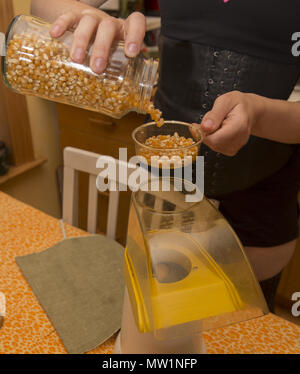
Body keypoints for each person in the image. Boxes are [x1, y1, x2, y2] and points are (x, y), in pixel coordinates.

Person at [31, 0, 300, 312]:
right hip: (164, 202)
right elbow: (42, 4)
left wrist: (259, 114)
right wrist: (85, 19)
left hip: (257, 220)